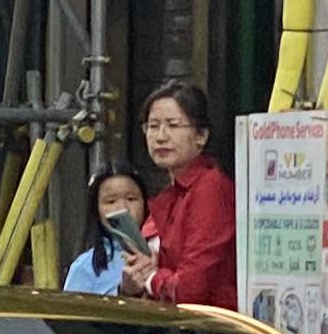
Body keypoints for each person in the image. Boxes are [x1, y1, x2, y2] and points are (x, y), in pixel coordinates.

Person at [121, 80, 235, 309]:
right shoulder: (172, 193)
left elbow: (193, 288)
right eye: (152, 126)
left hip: (210, 330)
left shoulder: (210, 188)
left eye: (173, 125)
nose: (161, 136)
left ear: (201, 135)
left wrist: (152, 278)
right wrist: (132, 283)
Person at [63, 162, 149, 296]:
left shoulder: (163, 250)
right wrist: (124, 292)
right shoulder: (85, 267)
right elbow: (72, 315)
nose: (123, 208)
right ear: (96, 210)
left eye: (131, 199)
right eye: (111, 201)